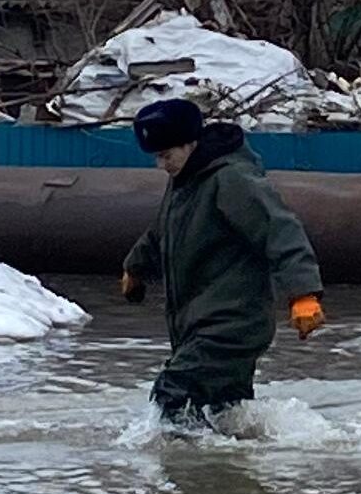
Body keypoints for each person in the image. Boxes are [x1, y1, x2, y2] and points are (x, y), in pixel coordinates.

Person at [118, 96, 323, 428]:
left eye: (166, 155)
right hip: (201, 323)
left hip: (231, 324)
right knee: (223, 415)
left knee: (173, 395)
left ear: (190, 143)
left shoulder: (232, 179)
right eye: (157, 156)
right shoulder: (185, 181)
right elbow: (161, 232)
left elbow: (280, 229)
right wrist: (135, 267)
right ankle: (225, 475)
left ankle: (186, 471)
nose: (161, 165)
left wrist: (303, 294)